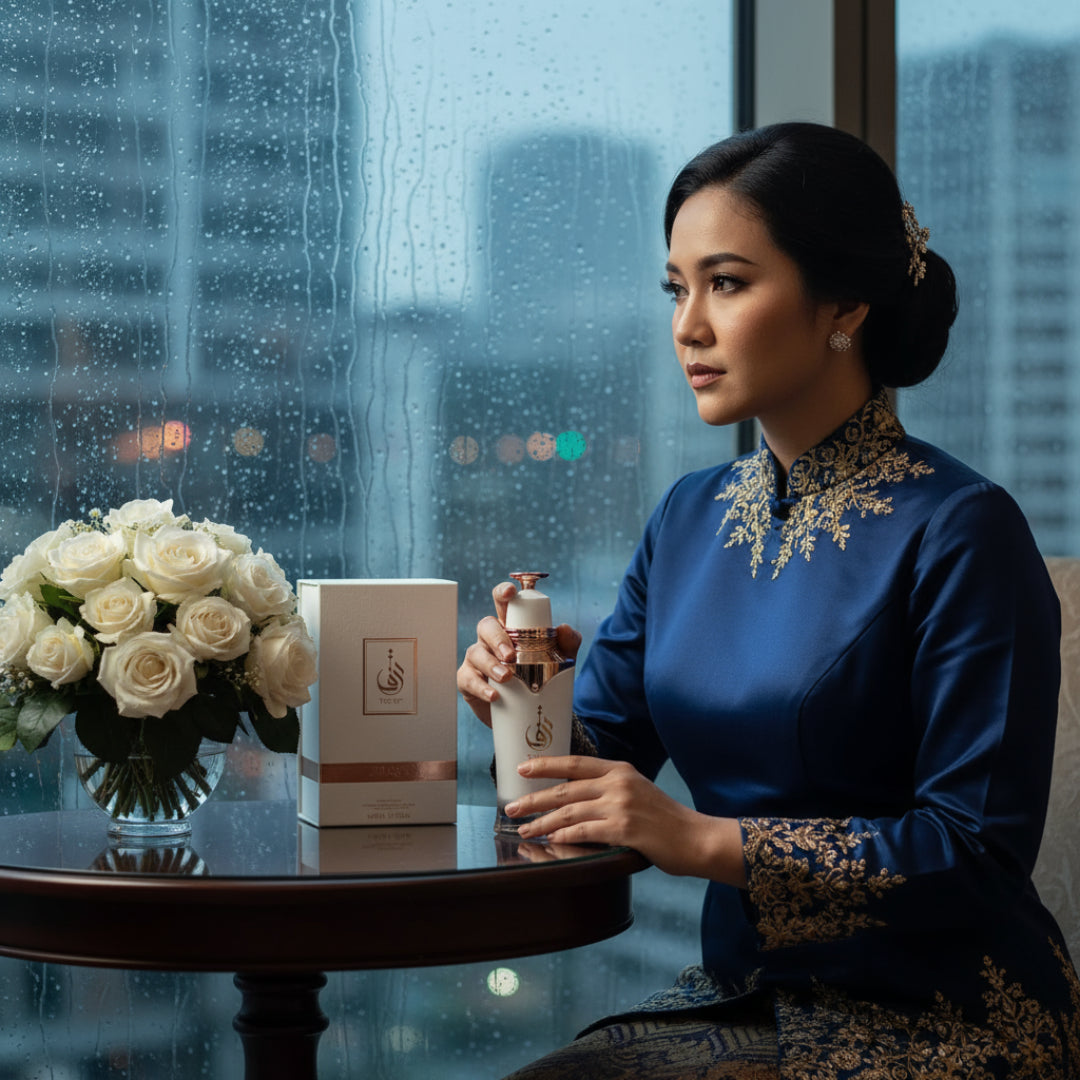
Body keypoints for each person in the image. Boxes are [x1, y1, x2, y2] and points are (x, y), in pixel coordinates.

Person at [457, 122, 1080, 1079]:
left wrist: (700, 838)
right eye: (677, 288)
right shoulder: (688, 517)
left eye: (729, 283)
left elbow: (974, 853)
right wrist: (518, 694)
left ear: (845, 303)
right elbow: (589, 773)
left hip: (945, 1012)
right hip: (745, 993)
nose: (687, 325)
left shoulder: (962, 526)